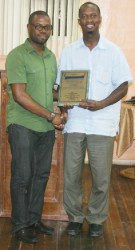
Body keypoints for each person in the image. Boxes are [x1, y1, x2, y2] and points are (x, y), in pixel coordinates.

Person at [56, 2, 132, 237]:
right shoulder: (69, 51)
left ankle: (97, 219)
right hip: (76, 122)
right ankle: (75, 218)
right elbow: (60, 87)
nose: (89, 19)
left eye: (93, 15)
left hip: (102, 123)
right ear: (79, 21)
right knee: (71, 175)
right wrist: (63, 101)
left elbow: (123, 86)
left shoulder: (113, 51)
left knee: (100, 176)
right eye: (84, 16)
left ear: (100, 19)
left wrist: (101, 104)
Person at [6, 10, 64, 244]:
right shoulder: (17, 55)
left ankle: (33, 219)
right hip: (22, 125)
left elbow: (50, 90)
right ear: (28, 27)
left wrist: (64, 106)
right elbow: (20, 95)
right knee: (22, 176)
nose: (43, 30)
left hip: (46, 128)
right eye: (39, 26)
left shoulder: (50, 57)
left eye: (47, 27)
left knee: (40, 175)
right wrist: (51, 115)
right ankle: (20, 225)